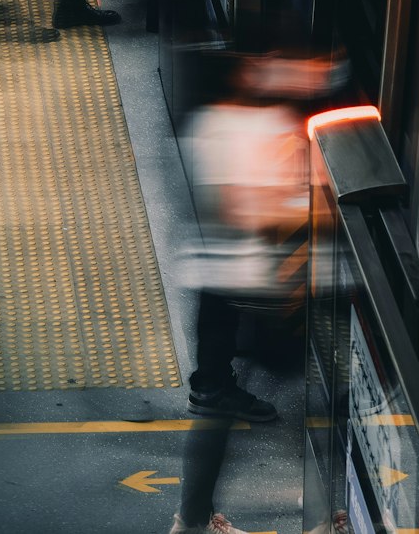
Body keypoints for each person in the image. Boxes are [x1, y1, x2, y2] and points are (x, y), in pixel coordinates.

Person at [169, 47, 310, 534]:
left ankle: (190, 519)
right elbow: (244, 211)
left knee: (216, 402)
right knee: (315, 401)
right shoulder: (251, 126)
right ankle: (323, 516)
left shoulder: (212, 120)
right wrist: (314, 212)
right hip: (259, 286)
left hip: (221, 282)